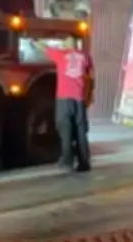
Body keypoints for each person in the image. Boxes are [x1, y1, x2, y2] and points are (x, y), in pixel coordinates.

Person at [33, 34, 93, 172]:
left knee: (64, 127)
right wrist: (88, 95)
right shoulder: (85, 56)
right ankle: (84, 162)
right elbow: (90, 75)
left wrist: (36, 41)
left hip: (65, 98)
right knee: (80, 130)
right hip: (79, 98)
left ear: (67, 44)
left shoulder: (61, 55)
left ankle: (67, 159)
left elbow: (44, 47)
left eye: (64, 42)